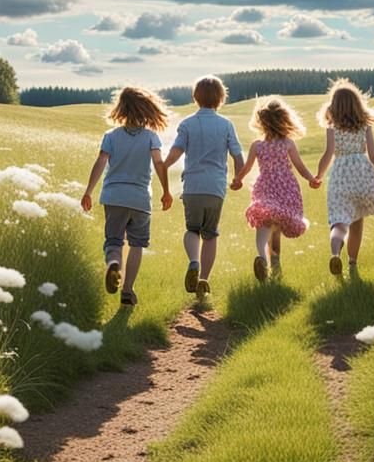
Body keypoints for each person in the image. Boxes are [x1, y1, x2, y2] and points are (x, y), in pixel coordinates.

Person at [80, 86, 172, 306]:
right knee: (137, 244)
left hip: (113, 196)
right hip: (140, 199)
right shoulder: (151, 137)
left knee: (114, 241)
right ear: (146, 108)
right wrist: (166, 190)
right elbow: (159, 163)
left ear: (121, 108)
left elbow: (101, 162)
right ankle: (128, 291)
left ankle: (113, 263)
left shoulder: (111, 136)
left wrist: (88, 191)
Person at [164, 75, 243, 299]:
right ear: (221, 99)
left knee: (192, 230)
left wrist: (163, 165)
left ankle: (193, 262)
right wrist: (238, 178)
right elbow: (238, 156)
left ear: (195, 98)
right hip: (216, 188)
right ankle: (204, 280)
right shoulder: (226, 125)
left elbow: (176, 152)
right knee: (210, 235)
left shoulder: (187, 123)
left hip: (192, 187)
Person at [314, 79, 374, 277]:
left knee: (339, 223)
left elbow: (328, 154)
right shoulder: (364, 127)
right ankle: (352, 264)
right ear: (357, 104)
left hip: (340, 179)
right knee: (357, 224)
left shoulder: (332, 127)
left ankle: (335, 253)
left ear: (334, 106)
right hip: (363, 178)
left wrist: (318, 176)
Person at [231, 96, 320, 281]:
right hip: (286, 189)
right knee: (277, 228)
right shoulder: (288, 144)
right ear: (283, 121)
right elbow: (300, 167)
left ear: (261, 123)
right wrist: (312, 179)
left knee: (263, 224)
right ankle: (275, 266)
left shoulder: (258, 145)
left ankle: (262, 257)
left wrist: (238, 180)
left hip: (264, 186)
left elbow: (247, 168)